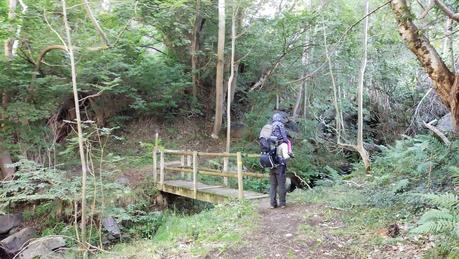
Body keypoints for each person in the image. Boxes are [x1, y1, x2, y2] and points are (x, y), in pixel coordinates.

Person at [269, 112, 289, 209]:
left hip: (270, 162)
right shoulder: (280, 125)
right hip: (280, 162)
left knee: (273, 184)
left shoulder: (269, 128)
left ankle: (273, 204)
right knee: (281, 183)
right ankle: (282, 203)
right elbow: (285, 138)